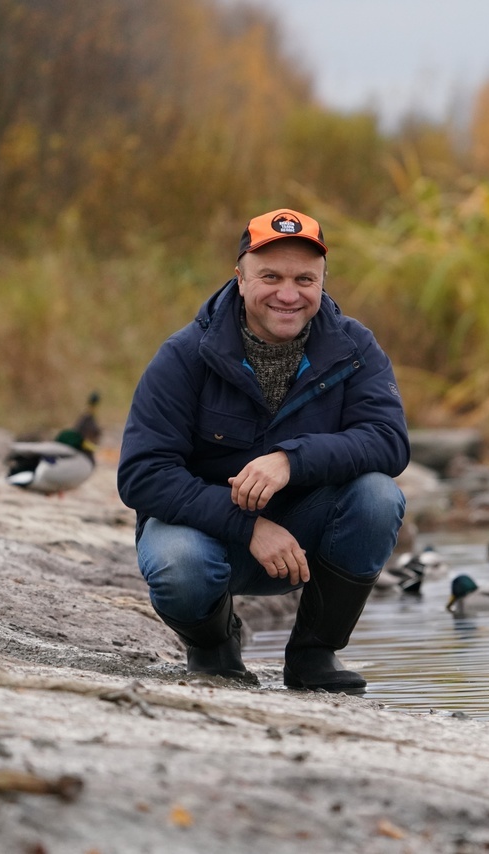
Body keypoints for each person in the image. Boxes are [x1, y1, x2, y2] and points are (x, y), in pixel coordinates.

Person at [117, 208, 410, 694]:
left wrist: (292, 460)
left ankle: (313, 655)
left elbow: (389, 440)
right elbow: (142, 475)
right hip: (204, 534)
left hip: (307, 534)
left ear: (323, 281)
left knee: (379, 496)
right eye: (270, 276)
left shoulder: (355, 346)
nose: (288, 294)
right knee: (180, 566)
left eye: (304, 279)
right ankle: (214, 647)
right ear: (239, 276)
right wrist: (247, 525)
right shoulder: (184, 355)